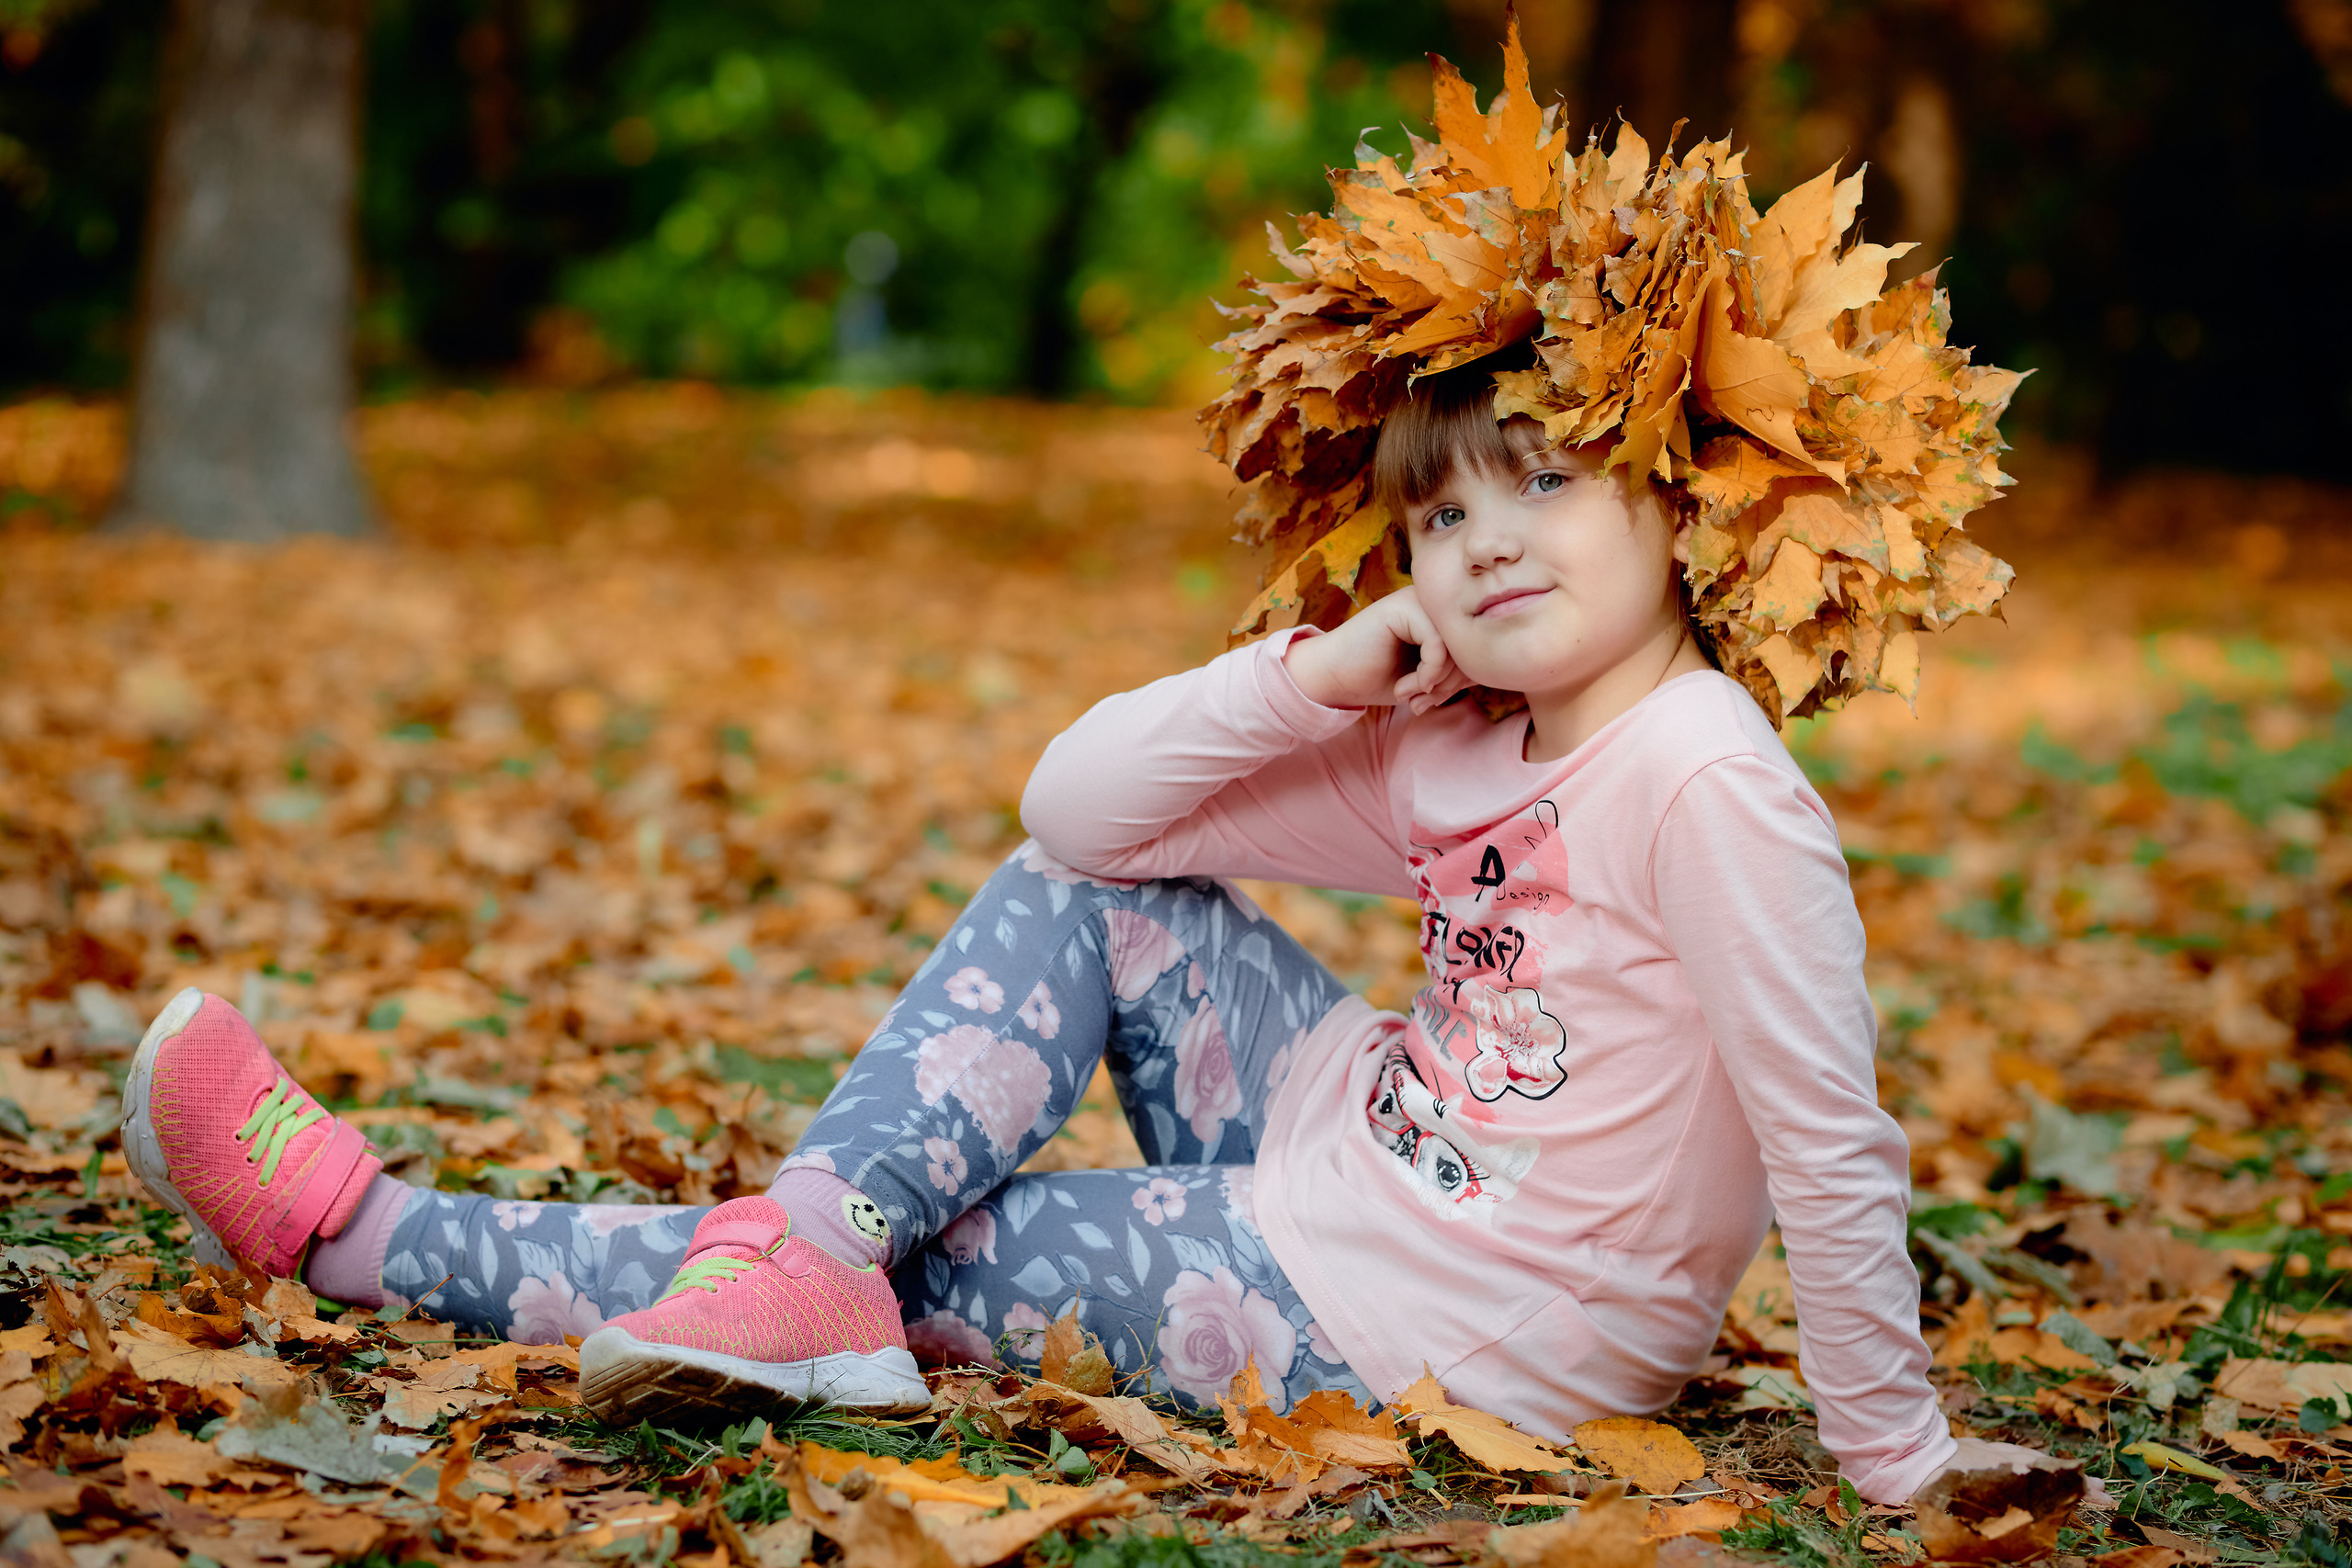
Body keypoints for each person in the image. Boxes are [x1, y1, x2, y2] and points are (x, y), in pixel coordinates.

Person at [117, 43, 2067, 1506]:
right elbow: (1082, 819)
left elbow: (1826, 1132)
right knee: (1075, 917)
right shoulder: (1460, 737)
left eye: (1542, 483)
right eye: (1437, 515)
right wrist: (1326, 669)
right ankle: (801, 1255)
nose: (1482, 544)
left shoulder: (1704, 776)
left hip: (1480, 1323)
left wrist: (1889, 1448)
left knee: (936, 1247)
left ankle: (370, 1234)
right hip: (1348, 1160)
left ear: (1676, 493)